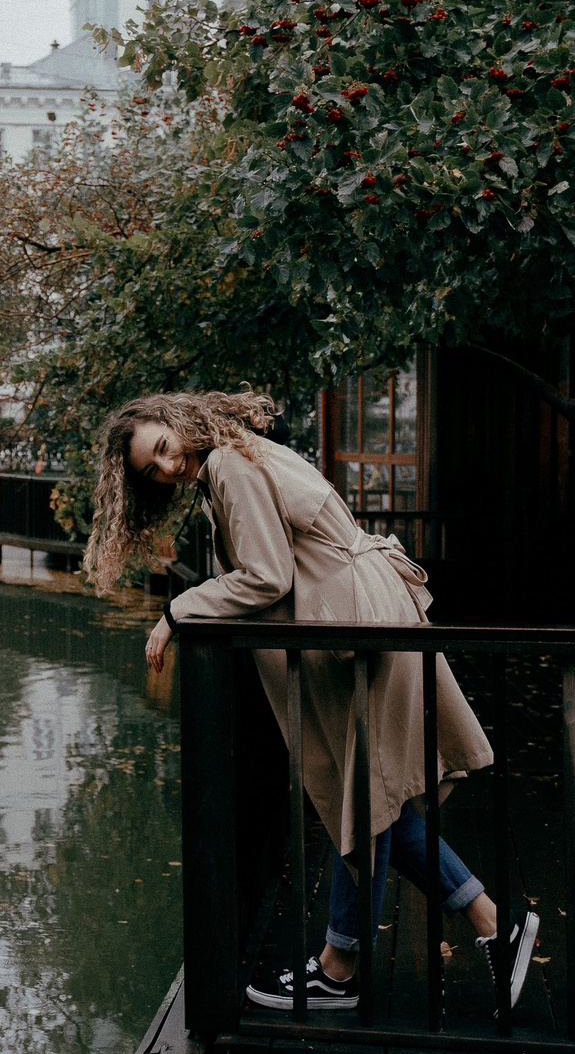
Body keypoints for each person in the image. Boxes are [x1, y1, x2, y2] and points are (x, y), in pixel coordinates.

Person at [94, 390, 539, 1015]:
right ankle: (490, 927)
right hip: (363, 624)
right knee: (373, 800)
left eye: (163, 448)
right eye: (151, 470)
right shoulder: (234, 453)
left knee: (365, 799)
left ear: (178, 421)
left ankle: (342, 967)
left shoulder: (228, 465)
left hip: (354, 632)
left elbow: (265, 575)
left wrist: (177, 610)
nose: (167, 468)